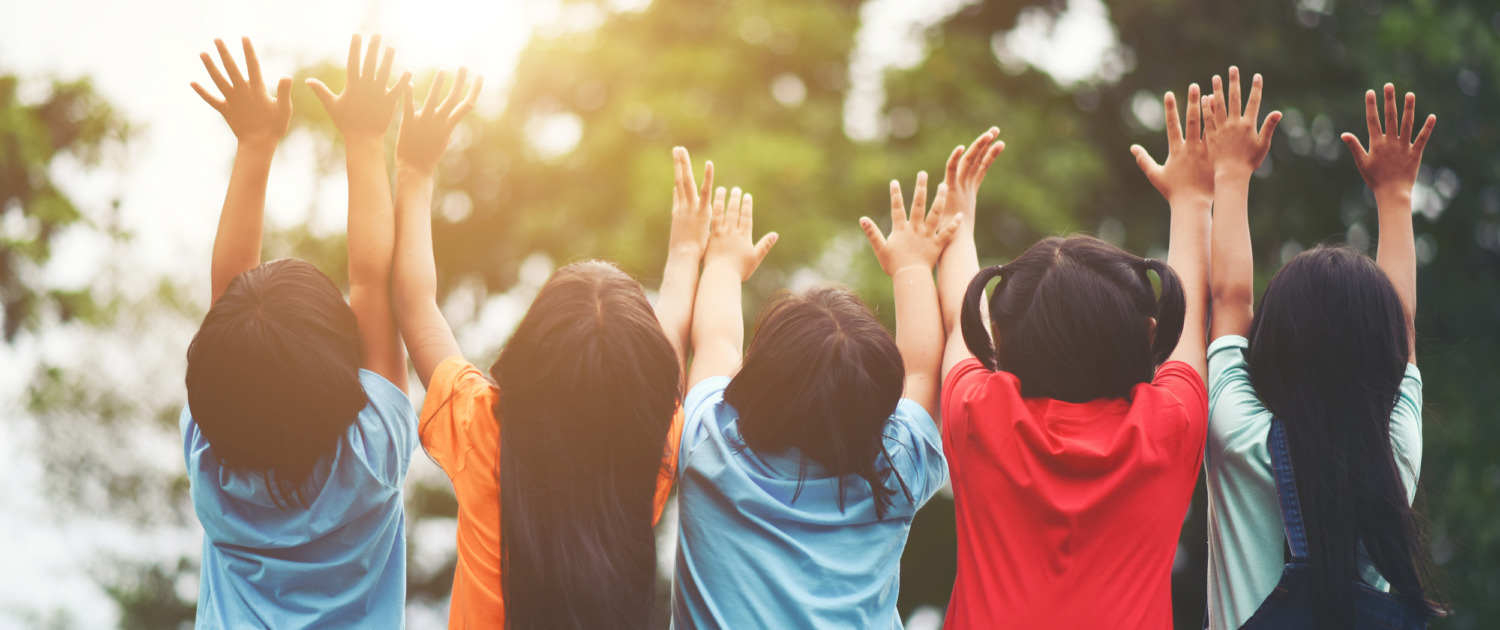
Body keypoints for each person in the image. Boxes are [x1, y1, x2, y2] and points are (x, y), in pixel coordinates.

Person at [391, 65, 706, 627]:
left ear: (529, 355)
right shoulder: (649, 455)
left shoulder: (485, 429)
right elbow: (664, 364)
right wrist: (685, 254)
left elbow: (415, 303)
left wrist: (414, 171)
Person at [936, 115, 1210, 626]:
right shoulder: (1169, 426)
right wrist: (1193, 200)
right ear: (1149, 335)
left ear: (999, 340)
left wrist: (959, 218)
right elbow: (1193, 317)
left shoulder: (979, 416)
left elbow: (958, 322)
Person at [181, 35, 416, 628]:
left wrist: (256, 143)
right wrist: (365, 141)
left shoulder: (212, 461)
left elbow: (229, 308)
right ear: (344, 366)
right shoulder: (371, 456)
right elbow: (372, 281)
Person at [1203, 69, 1442, 629]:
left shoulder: (1236, 434)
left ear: (1274, 342)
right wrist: (1396, 194)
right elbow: (1401, 324)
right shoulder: (1396, 450)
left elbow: (1229, 297)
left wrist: (1231, 172)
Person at [671, 175, 952, 627]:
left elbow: (716, 341)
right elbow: (923, 370)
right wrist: (913, 266)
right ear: (880, 399)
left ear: (761, 377)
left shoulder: (710, 448)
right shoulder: (896, 468)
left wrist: (721, 260)